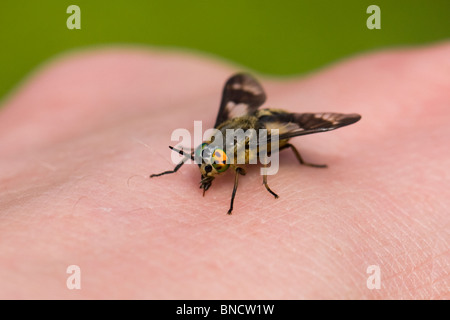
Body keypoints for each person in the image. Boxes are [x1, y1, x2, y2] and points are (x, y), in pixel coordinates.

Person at [0, 43, 448, 299]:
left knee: (284, 145)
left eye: (212, 166)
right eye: (207, 164)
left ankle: (296, 155)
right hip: (243, 126)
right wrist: (178, 167)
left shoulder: (244, 154)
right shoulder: (212, 149)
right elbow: (209, 149)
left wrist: (246, 191)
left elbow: (254, 154)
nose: (207, 169)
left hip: (269, 128)